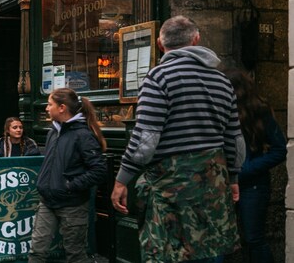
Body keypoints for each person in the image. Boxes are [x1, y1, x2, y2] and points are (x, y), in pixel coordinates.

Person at [110, 16, 244, 262]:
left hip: (171, 189)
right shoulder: (222, 81)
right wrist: (233, 177)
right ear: (196, 40)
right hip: (213, 186)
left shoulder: (158, 78)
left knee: (168, 252)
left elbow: (145, 141)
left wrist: (122, 180)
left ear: (161, 44)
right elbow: (234, 139)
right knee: (210, 249)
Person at [212, 69, 286, 263]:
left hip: (252, 186)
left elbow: (279, 150)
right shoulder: (217, 110)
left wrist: (245, 170)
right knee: (218, 241)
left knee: (254, 238)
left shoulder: (258, 111)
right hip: (221, 184)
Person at [28, 88, 107, 263]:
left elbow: (99, 170)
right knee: (37, 251)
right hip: (47, 201)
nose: (47, 109)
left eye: (50, 104)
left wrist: (71, 185)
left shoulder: (83, 135)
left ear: (62, 107)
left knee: (75, 255)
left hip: (73, 205)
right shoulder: (52, 132)